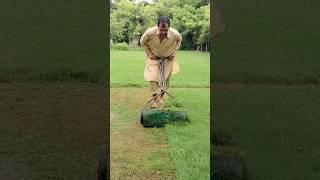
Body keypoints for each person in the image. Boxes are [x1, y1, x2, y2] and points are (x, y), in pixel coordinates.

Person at [140, 16, 182, 108]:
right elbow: (142, 41)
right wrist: (149, 53)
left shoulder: (175, 34)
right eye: (161, 29)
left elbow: (179, 41)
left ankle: (162, 97)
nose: (163, 32)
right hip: (153, 58)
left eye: (165, 30)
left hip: (168, 59)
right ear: (157, 26)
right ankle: (155, 100)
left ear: (169, 27)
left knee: (165, 79)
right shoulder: (150, 32)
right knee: (153, 78)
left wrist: (174, 53)